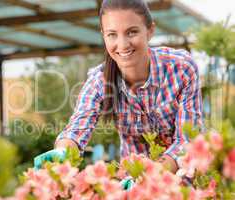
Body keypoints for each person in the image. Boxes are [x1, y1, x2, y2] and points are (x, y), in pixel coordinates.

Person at [34, 0, 204, 189]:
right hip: (131, 184)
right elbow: (77, 129)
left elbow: (187, 139)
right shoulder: (99, 81)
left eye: (132, 32)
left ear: (150, 30)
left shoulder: (181, 69)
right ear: (104, 36)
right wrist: (63, 153)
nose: (122, 44)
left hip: (183, 182)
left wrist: (152, 176)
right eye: (112, 34)